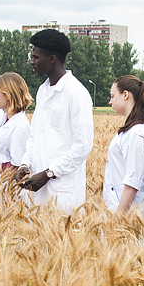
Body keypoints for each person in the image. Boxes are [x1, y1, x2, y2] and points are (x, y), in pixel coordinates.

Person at [16, 29, 94, 211]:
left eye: (36, 57)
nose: (32, 62)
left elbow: (83, 146)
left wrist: (49, 173)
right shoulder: (43, 91)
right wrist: (25, 164)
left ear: (52, 59)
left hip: (63, 191)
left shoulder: (77, 93)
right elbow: (34, 135)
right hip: (37, 187)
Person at [103, 75, 144, 224]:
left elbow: (134, 181)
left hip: (132, 216)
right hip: (125, 212)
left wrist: (118, 219)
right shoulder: (131, 131)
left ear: (125, 95)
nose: (110, 101)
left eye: (113, 96)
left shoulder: (137, 133)